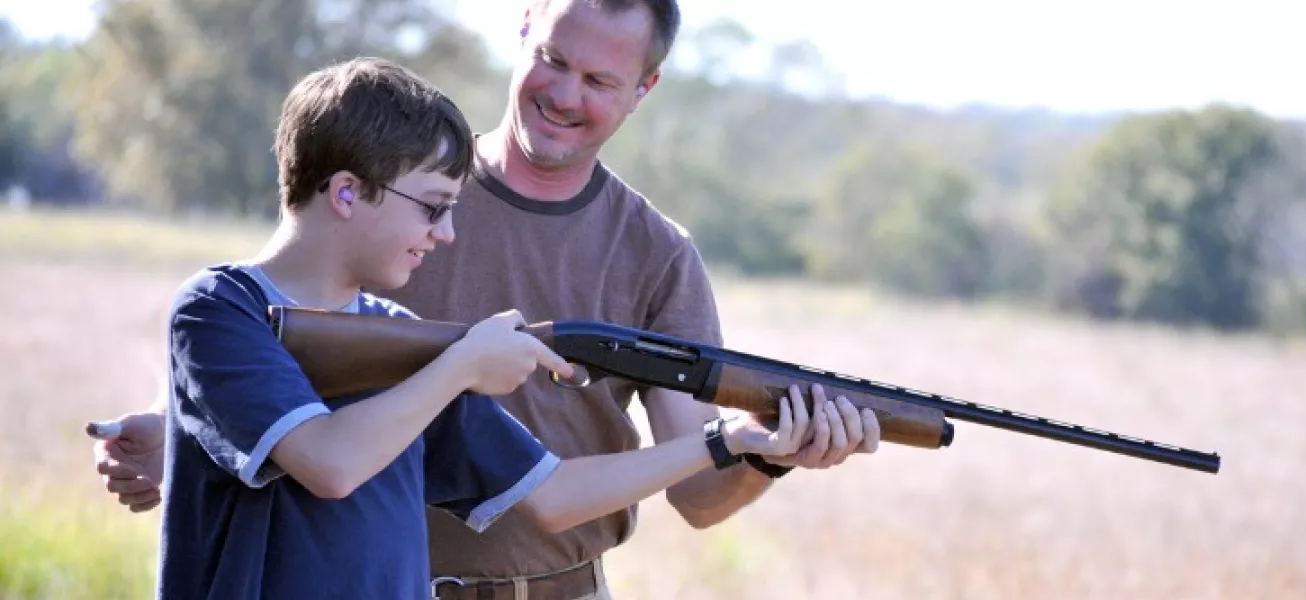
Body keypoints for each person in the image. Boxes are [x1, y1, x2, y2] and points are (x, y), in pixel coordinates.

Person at [91, 1, 887, 598]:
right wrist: (184, 434)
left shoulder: (655, 253)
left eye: (600, 79)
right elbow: (279, 336)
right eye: (554, 59)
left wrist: (755, 450)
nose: (565, 93)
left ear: (644, 89)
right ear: (523, 30)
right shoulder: (396, 191)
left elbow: (633, 500)